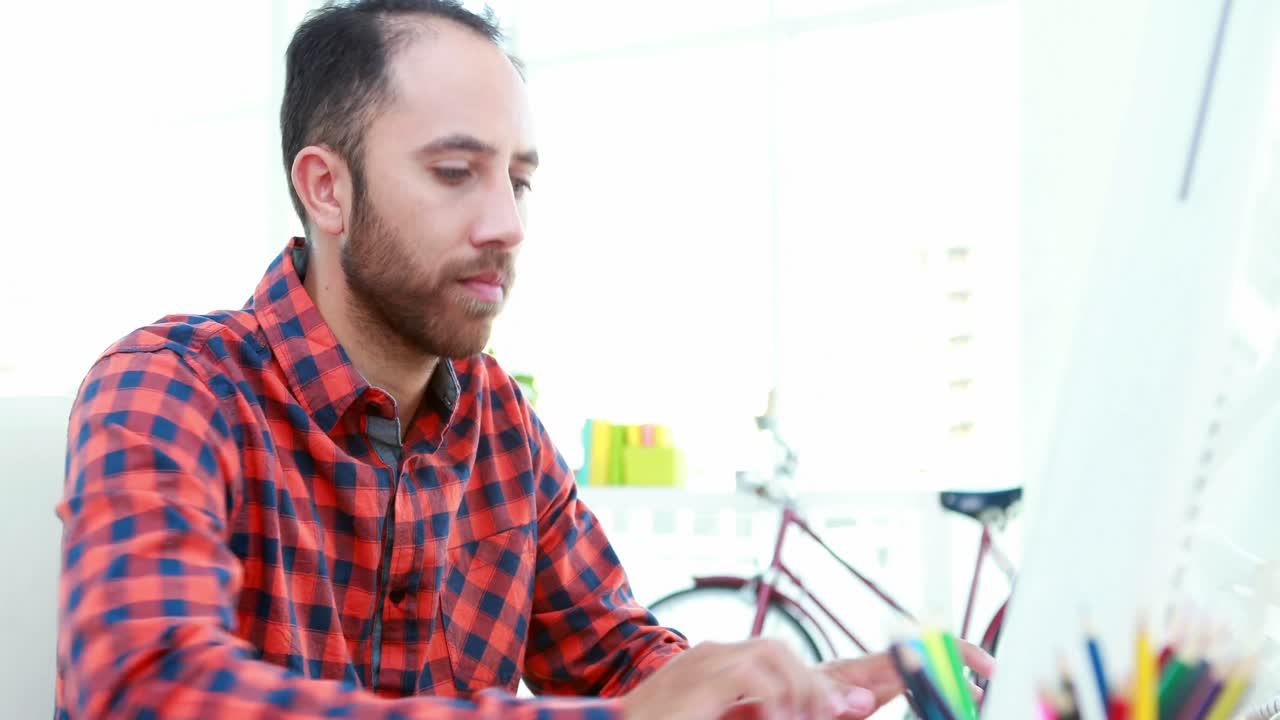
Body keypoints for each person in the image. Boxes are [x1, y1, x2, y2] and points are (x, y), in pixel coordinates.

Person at [54, 1, 993, 718]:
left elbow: (618, 660)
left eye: (520, 179)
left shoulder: (497, 420)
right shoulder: (169, 388)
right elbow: (149, 690)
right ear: (326, 188)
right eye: (456, 173)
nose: (506, 223)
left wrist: (768, 690)